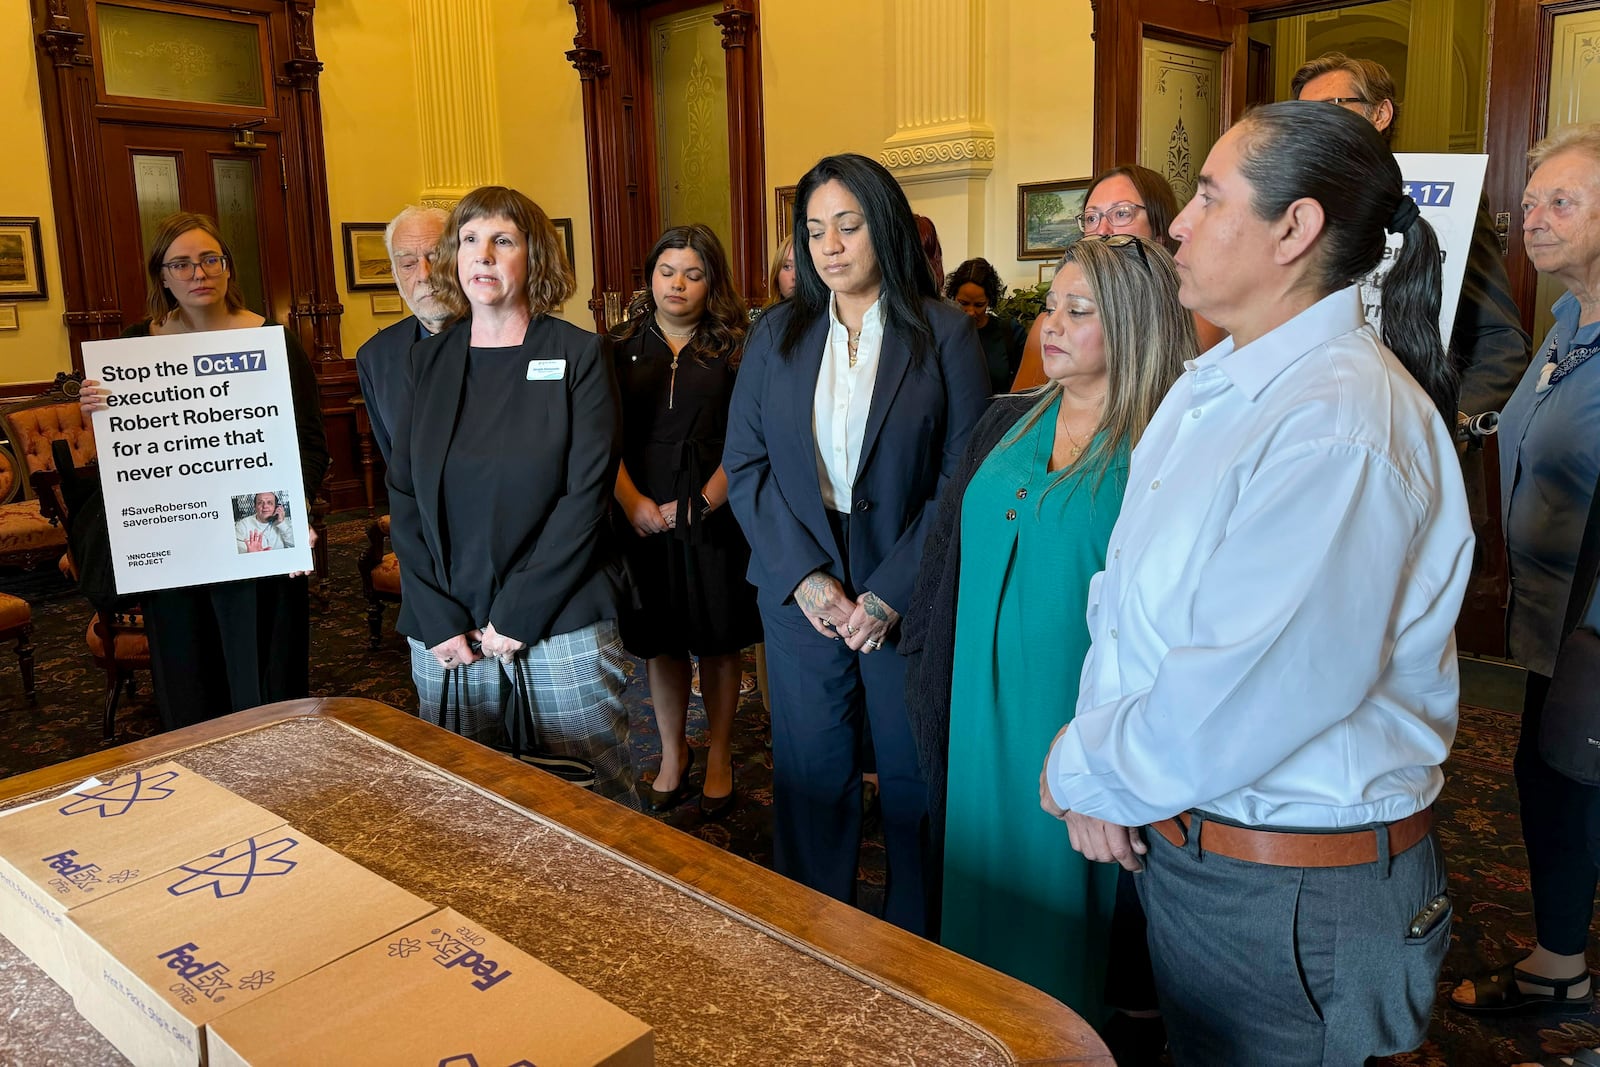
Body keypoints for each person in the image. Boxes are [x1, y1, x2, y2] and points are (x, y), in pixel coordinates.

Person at [1041, 102, 1472, 1065]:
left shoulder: (1337, 423)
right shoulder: (1220, 383)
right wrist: (1112, 776)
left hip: (1295, 897)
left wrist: (1086, 767)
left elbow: (1246, 684)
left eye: (1205, 196)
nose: (1178, 225)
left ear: (1295, 228)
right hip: (1212, 856)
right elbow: (1130, 608)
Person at [903, 234, 1191, 1015]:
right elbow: (944, 556)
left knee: (1067, 930)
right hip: (975, 714)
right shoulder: (1008, 420)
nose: (1051, 325)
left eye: (1078, 310)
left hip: (1076, 726)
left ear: (1131, 324)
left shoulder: (1162, 449)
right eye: (1050, 307)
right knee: (972, 895)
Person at [724, 153, 989, 935]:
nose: (830, 246)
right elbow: (746, 466)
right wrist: (804, 577)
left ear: (886, 226)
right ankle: (813, 941)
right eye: (813, 231)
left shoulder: (942, 331)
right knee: (811, 774)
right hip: (801, 575)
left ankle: (919, 947)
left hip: (903, 573)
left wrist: (891, 593)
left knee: (911, 781)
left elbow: (963, 475)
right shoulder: (776, 332)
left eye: (848, 224)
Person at [385, 185, 638, 808]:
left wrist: (519, 613)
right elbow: (405, 496)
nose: (484, 256)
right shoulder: (427, 363)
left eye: (503, 241)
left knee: (590, 812)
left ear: (535, 258)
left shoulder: (577, 353)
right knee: (467, 815)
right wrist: (437, 615)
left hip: (558, 622)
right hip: (449, 633)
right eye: (469, 241)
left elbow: (586, 496)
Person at [1448, 125, 1600, 1066]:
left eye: (1561, 204)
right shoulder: (1565, 322)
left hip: (1596, 636)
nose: (1532, 220)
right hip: (1550, 631)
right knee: (1545, 786)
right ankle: (1560, 961)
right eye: (1530, 202)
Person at [79, 211, 328, 731]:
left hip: (255, 533)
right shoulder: (131, 348)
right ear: (162, 276)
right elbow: (129, 456)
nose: (199, 273)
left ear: (228, 267)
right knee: (188, 676)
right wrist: (101, 414)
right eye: (182, 263)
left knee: (264, 674)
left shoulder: (273, 342)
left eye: (210, 259)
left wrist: (289, 509)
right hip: (175, 539)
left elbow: (309, 445)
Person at [611, 224, 761, 819]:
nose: (678, 284)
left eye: (693, 273)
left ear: (711, 282)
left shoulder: (737, 346)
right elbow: (603, 439)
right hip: (641, 509)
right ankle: (674, 753)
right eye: (667, 271)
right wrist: (632, 505)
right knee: (662, 643)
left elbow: (751, 438)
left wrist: (702, 501)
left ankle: (720, 752)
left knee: (721, 643)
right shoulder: (617, 345)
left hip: (716, 511)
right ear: (650, 277)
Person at [1292, 51, 1531, 417]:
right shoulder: (1290, 207)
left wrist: (1443, 425)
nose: (1316, 124)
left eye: (1332, 106)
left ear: (1381, 114)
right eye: (1305, 115)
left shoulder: (1444, 206)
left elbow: (1501, 344)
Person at [1011, 165, 1225, 390]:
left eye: (1122, 213)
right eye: (1091, 217)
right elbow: (1018, 412)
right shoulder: (1047, 328)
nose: (1102, 230)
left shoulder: (1199, 323)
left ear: (1160, 231)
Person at [356, 206, 450, 466]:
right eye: (408, 264)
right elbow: (395, 463)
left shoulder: (506, 338)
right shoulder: (375, 357)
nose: (425, 275)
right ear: (396, 276)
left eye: (437, 257)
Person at [946, 258, 1029, 393]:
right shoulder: (944, 334)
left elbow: (1028, 386)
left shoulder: (1010, 332)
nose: (971, 312)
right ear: (953, 297)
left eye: (979, 305)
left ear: (989, 301)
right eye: (963, 303)